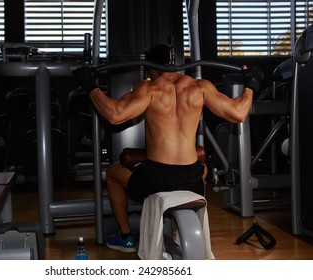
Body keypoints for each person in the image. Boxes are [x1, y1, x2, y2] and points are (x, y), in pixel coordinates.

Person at [73, 44, 263, 253]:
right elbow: (238, 113)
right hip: (191, 178)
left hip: (157, 179)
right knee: (205, 169)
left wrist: (90, 85)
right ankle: (179, 226)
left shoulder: (149, 89)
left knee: (113, 172)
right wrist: (251, 85)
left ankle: (125, 236)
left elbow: (115, 114)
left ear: (150, 67)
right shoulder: (200, 87)